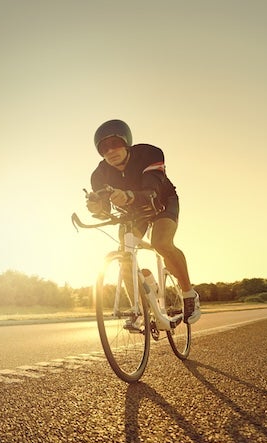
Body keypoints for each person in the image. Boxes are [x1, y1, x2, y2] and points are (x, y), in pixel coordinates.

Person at [86, 119, 201, 324]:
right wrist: (98, 208)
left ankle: (189, 294)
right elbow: (105, 208)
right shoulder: (99, 174)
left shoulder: (149, 154)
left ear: (126, 142)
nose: (110, 151)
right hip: (133, 213)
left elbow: (152, 190)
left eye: (115, 143)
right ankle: (138, 309)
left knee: (161, 243)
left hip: (162, 203)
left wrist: (129, 195)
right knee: (125, 256)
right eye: (104, 148)